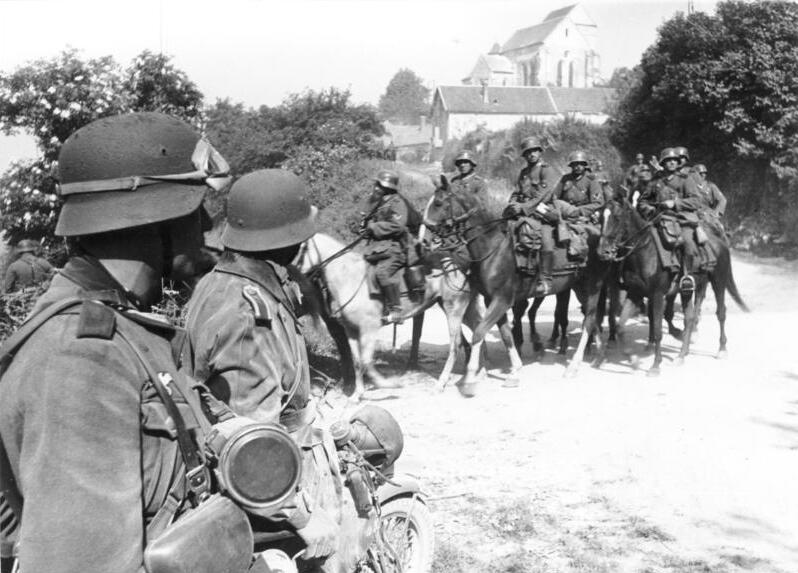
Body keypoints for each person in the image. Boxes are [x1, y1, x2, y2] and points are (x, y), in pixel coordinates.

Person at [0, 112, 230, 573]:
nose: (208, 227)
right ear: (153, 218)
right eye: (195, 209)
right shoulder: (82, 360)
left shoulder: (125, 331)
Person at [185, 169, 342, 566]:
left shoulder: (224, 281)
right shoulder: (250, 314)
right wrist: (303, 516)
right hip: (263, 493)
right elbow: (254, 448)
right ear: (290, 240)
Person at [637, 147, 704, 282]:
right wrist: (649, 209)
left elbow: (696, 201)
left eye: (674, 160)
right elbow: (642, 202)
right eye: (668, 160)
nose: (672, 163)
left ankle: (686, 277)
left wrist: (675, 204)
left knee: (688, 244)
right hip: (658, 220)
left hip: (681, 220)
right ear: (662, 163)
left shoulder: (685, 179)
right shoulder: (655, 181)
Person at [504, 136, 556, 289]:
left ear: (540, 152)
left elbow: (542, 196)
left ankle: (545, 279)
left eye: (534, 151)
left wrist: (523, 207)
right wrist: (512, 204)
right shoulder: (524, 172)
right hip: (524, 209)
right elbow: (516, 191)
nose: (531, 154)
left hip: (544, 209)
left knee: (545, 238)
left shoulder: (547, 170)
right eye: (528, 152)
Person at [360, 169, 409, 324]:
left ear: (388, 186)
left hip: (395, 248)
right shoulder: (379, 204)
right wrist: (365, 229)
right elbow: (370, 225)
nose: (376, 187)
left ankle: (396, 311)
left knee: (383, 272)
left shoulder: (397, 203)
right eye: (376, 184)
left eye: (379, 184)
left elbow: (398, 226)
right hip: (377, 248)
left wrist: (374, 227)